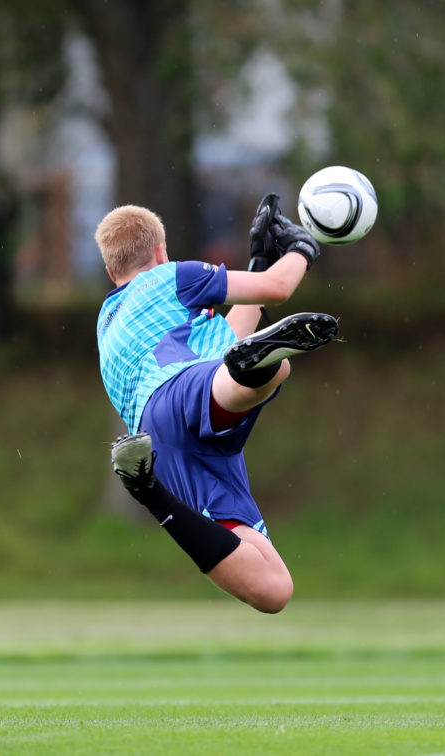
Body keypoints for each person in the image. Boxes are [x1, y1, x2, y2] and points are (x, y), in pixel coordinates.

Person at [94, 196, 338, 613]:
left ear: (109, 269)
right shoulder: (173, 276)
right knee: (272, 372)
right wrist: (303, 247)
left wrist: (259, 261)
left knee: (273, 590)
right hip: (185, 393)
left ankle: (149, 493)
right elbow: (280, 288)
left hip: (163, 444)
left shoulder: (106, 323)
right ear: (160, 251)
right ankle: (260, 365)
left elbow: (216, 347)